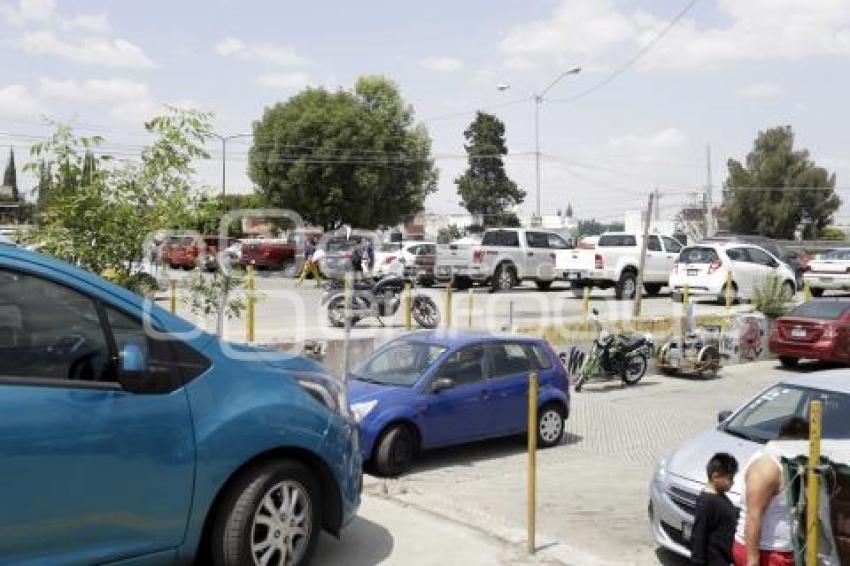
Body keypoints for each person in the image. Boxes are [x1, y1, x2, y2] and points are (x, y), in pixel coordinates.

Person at [733, 417, 810, 566]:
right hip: (765, 554)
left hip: (782, 553)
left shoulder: (788, 462)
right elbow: (753, 515)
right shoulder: (766, 467)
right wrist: (753, 560)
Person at [691, 452, 739, 566]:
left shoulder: (719, 495)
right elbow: (699, 535)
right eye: (730, 478)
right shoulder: (707, 502)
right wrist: (698, 562)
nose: (733, 482)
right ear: (715, 476)